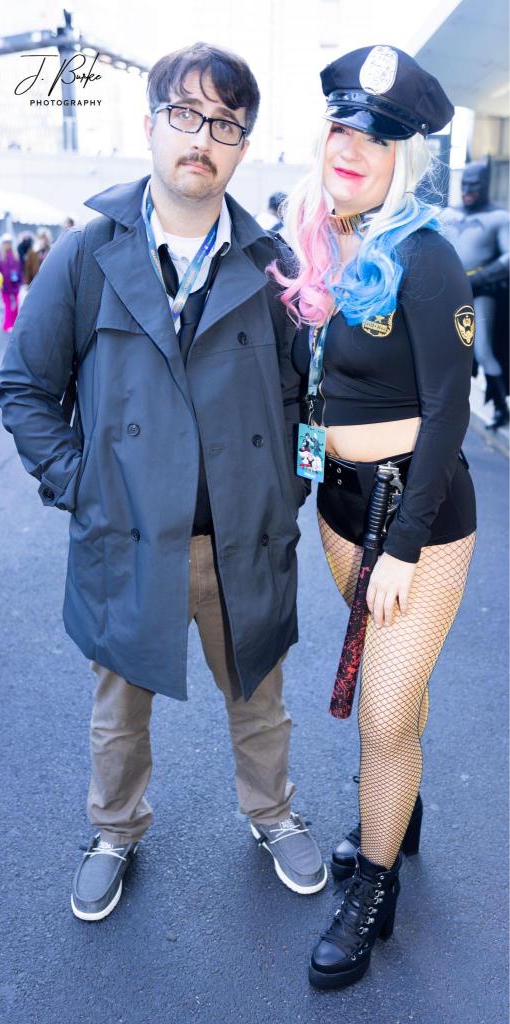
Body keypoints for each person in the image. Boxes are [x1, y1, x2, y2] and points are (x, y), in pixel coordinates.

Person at [0, 41, 326, 925]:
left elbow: (309, 401)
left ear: (243, 145)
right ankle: (114, 830)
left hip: (241, 538)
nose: (202, 138)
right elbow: (25, 388)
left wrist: (289, 491)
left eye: (225, 123)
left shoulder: (271, 266)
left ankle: (272, 811)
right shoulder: (86, 255)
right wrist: (80, 486)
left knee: (260, 699)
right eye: (185, 114)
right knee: (118, 710)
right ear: (148, 125)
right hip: (130, 535)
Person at [271, 45, 476, 989]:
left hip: (417, 519)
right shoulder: (317, 246)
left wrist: (400, 548)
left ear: (405, 157)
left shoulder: (425, 259)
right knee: (401, 699)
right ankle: (403, 803)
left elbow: (448, 411)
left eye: (378, 138)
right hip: (339, 509)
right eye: (343, 128)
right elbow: (311, 388)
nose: (352, 148)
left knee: (381, 719)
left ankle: (373, 890)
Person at [443, 158, 509, 430]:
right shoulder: (448, 214)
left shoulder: (499, 217)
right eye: (465, 184)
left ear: (485, 185)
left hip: (480, 291)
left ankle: (500, 407)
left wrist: (477, 279)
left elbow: (508, 258)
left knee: (482, 349)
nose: (468, 189)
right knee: (441, 349)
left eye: (475, 185)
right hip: (447, 291)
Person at [0, 234, 22, 332]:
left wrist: (20, 281)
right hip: (4, 286)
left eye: (9, 242)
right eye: (6, 242)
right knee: (8, 306)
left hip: (15, 285)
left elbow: (20, 269)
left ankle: (14, 324)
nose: (8, 244)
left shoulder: (15, 254)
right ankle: (7, 325)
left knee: (16, 305)